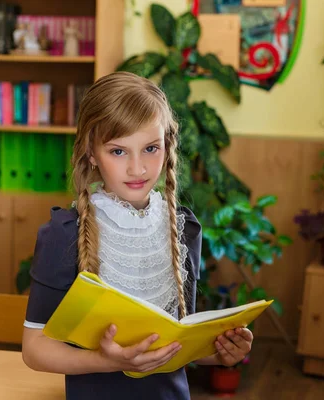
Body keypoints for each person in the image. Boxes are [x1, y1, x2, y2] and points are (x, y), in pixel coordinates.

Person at [21, 71, 254, 399]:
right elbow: (34, 350)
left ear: (167, 145)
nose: (138, 168)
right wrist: (105, 361)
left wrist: (221, 352)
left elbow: (176, 342)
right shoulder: (63, 235)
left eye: (150, 148)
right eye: (118, 151)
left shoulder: (183, 229)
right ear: (91, 152)